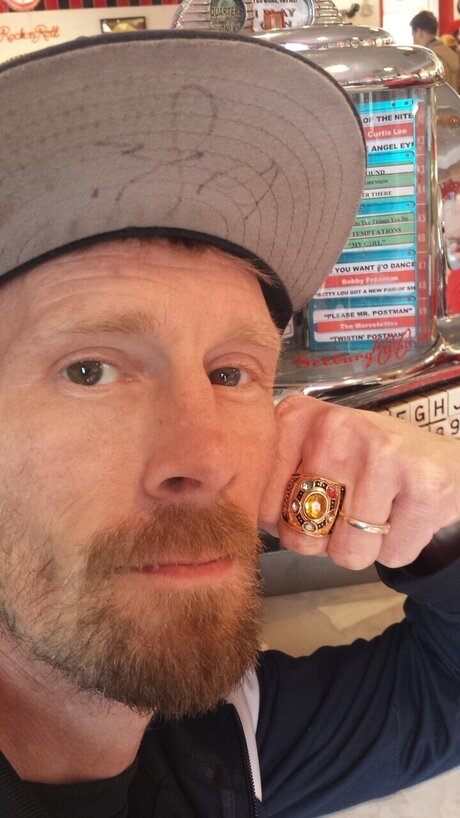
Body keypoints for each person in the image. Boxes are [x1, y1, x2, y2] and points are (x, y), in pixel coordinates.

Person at [0, 29, 459, 818]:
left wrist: (441, 521)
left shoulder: (224, 737)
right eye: (90, 371)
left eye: (229, 373)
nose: (206, 458)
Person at [411, 10, 460, 90]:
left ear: (419, 32)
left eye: (413, 34)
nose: (413, 40)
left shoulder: (426, 60)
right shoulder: (452, 53)